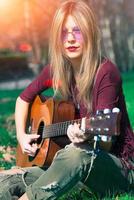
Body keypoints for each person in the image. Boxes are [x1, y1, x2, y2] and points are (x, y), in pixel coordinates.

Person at [0, 0, 134, 199]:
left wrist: (86, 137)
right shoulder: (59, 70)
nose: (70, 38)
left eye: (77, 30)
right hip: (71, 164)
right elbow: (23, 99)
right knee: (6, 182)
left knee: (76, 151)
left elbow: (106, 144)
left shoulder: (105, 73)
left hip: (118, 169)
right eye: (64, 32)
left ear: (90, 33)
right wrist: (22, 136)